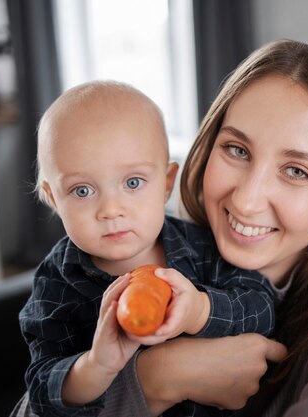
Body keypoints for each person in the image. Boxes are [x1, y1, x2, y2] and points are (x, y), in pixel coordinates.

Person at [104, 39, 308, 417]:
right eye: (236, 150)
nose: (247, 200)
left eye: (296, 171)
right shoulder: (137, 261)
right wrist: (161, 378)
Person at [15, 80, 279, 417]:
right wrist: (97, 366)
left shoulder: (201, 246)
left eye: (133, 183)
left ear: (166, 183)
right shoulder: (57, 280)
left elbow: (263, 308)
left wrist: (199, 309)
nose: (111, 209)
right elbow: (41, 393)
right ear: (53, 198)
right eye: (82, 191)